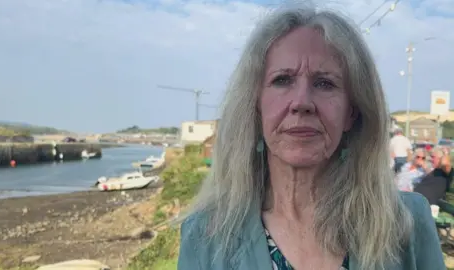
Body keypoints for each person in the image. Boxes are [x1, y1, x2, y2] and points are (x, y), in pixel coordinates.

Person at [177, 4, 444, 270]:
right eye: (282, 80)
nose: (301, 102)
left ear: (352, 112)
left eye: (324, 83)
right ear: (256, 106)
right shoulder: (205, 235)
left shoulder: (407, 223)